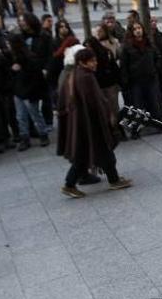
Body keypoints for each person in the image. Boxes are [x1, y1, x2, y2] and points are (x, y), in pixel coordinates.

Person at [57, 48, 132, 198]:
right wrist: (107, 116)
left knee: (87, 155)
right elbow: (94, 102)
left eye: (94, 60)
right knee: (98, 154)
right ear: (82, 62)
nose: (95, 63)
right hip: (91, 124)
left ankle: (110, 179)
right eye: (91, 61)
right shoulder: (85, 77)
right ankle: (111, 180)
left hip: (83, 123)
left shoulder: (75, 74)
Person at [8, 33, 50, 151]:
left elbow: (35, 76)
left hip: (28, 91)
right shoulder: (14, 58)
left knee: (34, 114)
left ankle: (42, 134)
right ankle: (26, 137)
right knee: (21, 116)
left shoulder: (30, 58)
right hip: (19, 90)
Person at [121, 22, 162, 119]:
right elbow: (124, 65)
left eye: (139, 28)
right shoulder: (127, 46)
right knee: (137, 105)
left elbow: (157, 56)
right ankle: (137, 127)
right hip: (136, 81)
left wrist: (155, 68)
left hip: (150, 78)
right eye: (135, 29)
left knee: (153, 102)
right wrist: (126, 81)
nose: (138, 31)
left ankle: (156, 122)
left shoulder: (149, 43)